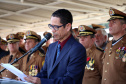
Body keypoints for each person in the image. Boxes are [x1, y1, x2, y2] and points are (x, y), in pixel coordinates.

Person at [24, 9, 86, 84]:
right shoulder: (51, 47)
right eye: (51, 26)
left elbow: (70, 80)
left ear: (67, 27)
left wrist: (41, 81)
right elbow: (45, 72)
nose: (52, 30)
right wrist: (28, 79)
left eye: (56, 27)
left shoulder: (77, 49)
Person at [102, 7, 126, 84]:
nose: (109, 24)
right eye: (110, 22)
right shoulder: (108, 45)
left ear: (123, 26)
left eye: (114, 22)